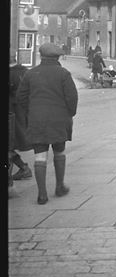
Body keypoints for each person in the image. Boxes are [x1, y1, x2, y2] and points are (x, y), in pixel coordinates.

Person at [17, 43, 78, 205]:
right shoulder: (64, 74)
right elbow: (72, 98)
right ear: (57, 57)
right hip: (59, 120)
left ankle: (42, 195)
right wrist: (69, 114)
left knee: (40, 156)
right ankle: (59, 187)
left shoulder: (31, 74)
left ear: (41, 56)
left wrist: (31, 113)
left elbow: (21, 98)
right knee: (59, 152)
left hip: (37, 120)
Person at [9, 55, 32, 180]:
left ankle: (11, 180)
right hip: (21, 114)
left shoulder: (10, 74)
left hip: (11, 113)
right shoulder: (25, 72)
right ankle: (23, 168)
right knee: (10, 146)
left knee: (9, 146)